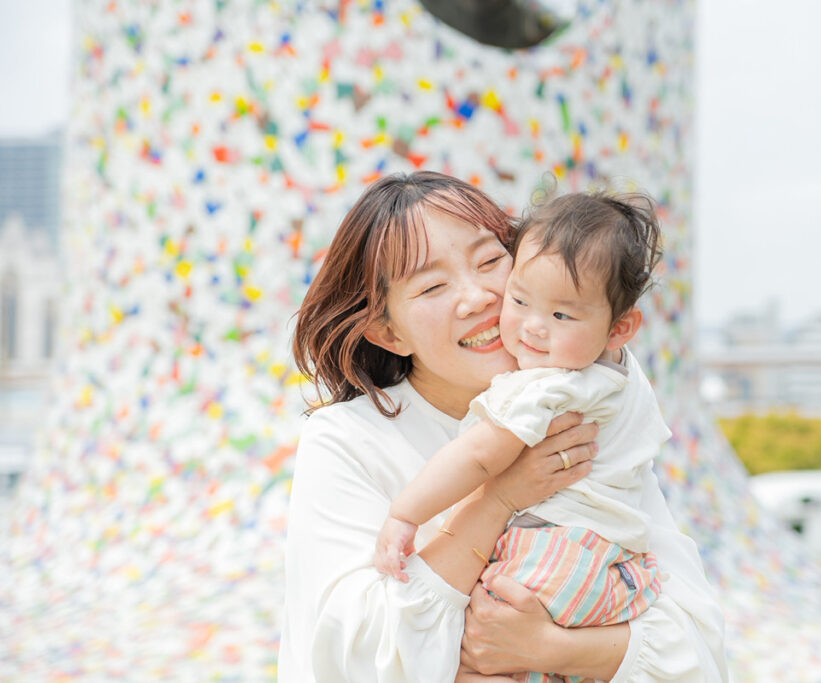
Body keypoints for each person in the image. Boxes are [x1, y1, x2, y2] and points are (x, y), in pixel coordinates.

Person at [280, 171, 727, 682]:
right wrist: (498, 498)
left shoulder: (587, 405)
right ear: (388, 332)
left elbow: (699, 646)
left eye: (490, 261)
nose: (479, 297)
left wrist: (553, 648)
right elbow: (353, 655)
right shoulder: (346, 440)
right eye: (433, 286)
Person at [373, 191, 675, 683]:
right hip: (621, 573)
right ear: (388, 332)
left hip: (555, 561)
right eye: (520, 300)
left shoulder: (547, 386)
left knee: (468, 649)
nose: (533, 328)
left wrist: (404, 514)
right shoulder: (619, 375)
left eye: (562, 315)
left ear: (620, 328)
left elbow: (478, 455)